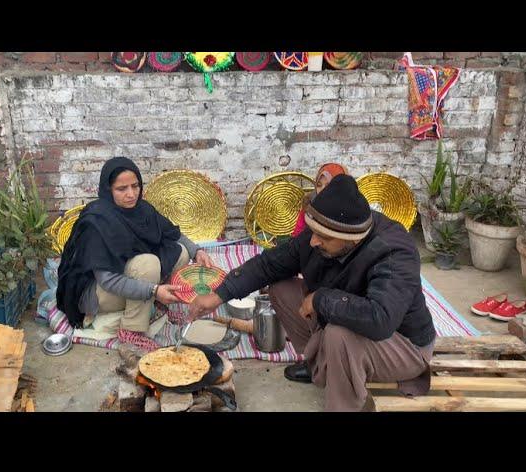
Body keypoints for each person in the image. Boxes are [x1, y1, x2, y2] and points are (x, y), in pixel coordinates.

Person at [188, 174, 436, 411]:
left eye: (324, 238)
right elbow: (270, 264)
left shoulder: (394, 252)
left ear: (351, 240)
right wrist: (218, 295)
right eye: (314, 233)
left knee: (339, 335)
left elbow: (380, 319)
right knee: (281, 288)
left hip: (403, 345)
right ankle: (319, 363)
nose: (314, 241)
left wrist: (319, 299)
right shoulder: (324, 231)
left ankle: (343, 406)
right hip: (349, 322)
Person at [56, 157, 213, 351]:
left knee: (179, 252)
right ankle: (132, 330)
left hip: (126, 277)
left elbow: (173, 233)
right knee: (148, 264)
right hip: (95, 293)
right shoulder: (97, 221)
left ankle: (158, 307)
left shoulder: (142, 209)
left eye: (135, 186)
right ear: (108, 189)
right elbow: (107, 281)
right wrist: (153, 290)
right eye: (121, 189)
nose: (131, 194)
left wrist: (197, 251)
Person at [291, 163, 348, 238]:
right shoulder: (309, 203)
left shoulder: (349, 210)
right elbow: (297, 234)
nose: (322, 190)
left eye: (328, 185)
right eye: (319, 185)